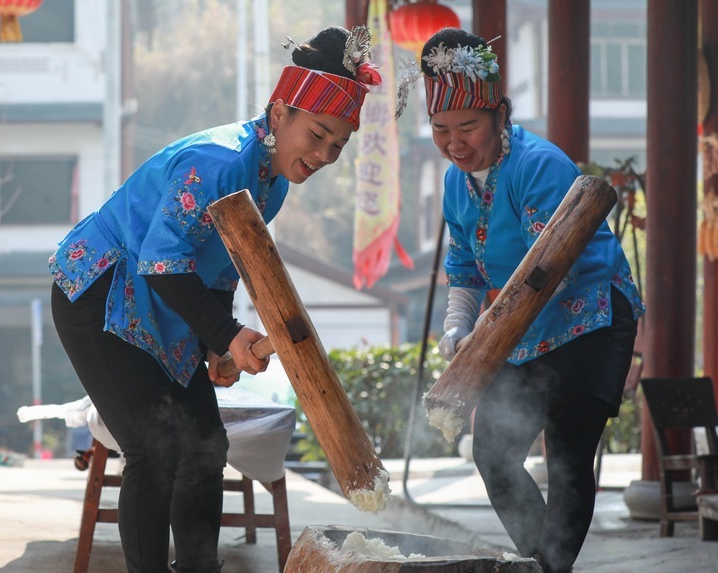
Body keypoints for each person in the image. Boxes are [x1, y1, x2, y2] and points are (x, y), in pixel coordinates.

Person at [49, 25, 380, 573]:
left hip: (161, 302)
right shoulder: (221, 160)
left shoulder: (271, 182)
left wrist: (216, 345)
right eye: (317, 134)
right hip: (99, 292)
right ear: (280, 114)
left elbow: (218, 270)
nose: (324, 154)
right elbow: (161, 261)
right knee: (154, 452)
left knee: (205, 447)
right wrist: (226, 334)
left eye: (337, 147)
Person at [416, 28, 645, 573]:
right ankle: (539, 562)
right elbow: (464, 268)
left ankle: (549, 567)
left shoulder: (538, 165)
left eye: (468, 126)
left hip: (590, 316)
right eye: (441, 129)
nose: (455, 142)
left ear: (499, 115)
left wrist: (487, 336)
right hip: (517, 327)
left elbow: (552, 273)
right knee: (492, 453)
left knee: (567, 454)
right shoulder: (455, 182)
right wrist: (458, 331)